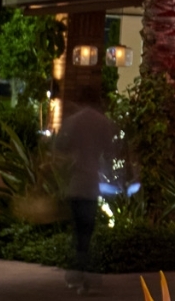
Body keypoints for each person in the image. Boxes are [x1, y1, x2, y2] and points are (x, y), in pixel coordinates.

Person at [55, 92, 118, 293]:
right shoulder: (103, 122)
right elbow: (110, 153)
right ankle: (86, 276)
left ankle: (78, 276)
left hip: (76, 184)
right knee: (87, 232)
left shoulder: (73, 121)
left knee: (78, 232)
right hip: (92, 185)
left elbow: (59, 147)